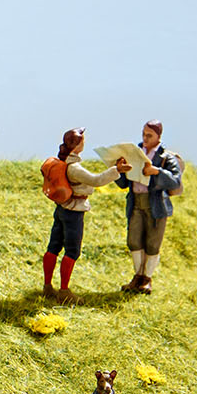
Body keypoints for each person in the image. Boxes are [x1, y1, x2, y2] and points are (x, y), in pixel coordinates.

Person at [42, 128, 129, 300]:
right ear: (77, 145)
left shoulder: (63, 161)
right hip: (73, 212)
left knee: (53, 247)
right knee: (72, 250)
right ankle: (64, 291)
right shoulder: (73, 168)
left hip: (61, 208)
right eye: (82, 141)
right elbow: (96, 180)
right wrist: (116, 170)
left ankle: (47, 286)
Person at [120, 119, 182, 294]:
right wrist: (119, 170)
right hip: (136, 202)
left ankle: (147, 278)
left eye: (149, 135)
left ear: (158, 136)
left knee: (152, 243)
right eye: (143, 134)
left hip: (156, 204)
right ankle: (137, 275)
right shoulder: (135, 153)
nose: (145, 138)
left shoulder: (166, 157)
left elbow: (175, 180)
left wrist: (157, 171)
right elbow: (123, 183)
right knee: (134, 240)